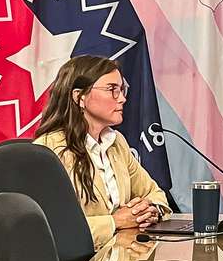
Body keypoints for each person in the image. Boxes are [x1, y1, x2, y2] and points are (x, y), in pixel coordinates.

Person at [35, 55, 170, 246]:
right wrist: (116, 221)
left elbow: (154, 193)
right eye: (112, 90)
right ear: (79, 97)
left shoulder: (116, 142)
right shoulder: (49, 151)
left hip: (121, 258)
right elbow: (53, 230)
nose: (122, 98)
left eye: (121, 90)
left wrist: (149, 211)